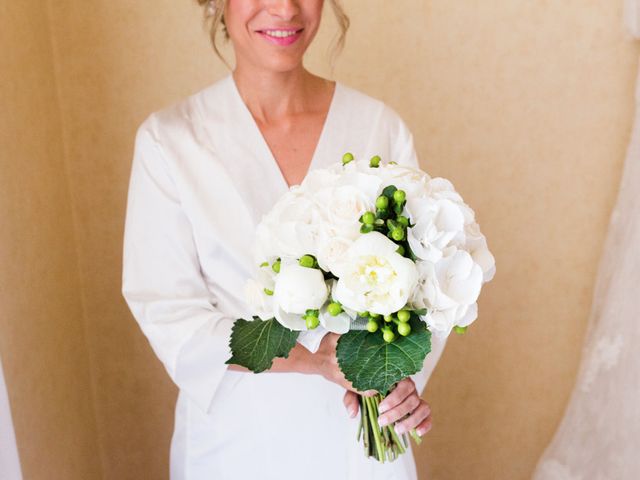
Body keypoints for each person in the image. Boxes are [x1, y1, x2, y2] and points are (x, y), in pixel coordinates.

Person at [121, 1, 449, 478]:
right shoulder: (169, 142)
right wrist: (313, 361)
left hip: (357, 434)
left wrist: (396, 383)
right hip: (237, 438)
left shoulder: (380, 127)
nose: (284, 8)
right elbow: (169, 310)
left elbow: (424, 286)